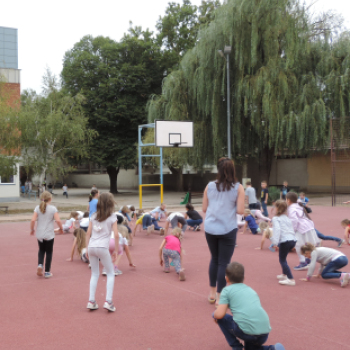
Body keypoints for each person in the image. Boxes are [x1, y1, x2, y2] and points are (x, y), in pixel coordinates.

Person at [213, 262, 285, 350]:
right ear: (244, 278)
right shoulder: (251, 290)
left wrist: (217, 312)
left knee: (216, 316)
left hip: (246, 332)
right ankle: (272, 349)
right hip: (264, 333)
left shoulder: (226, 291)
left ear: (226, 279)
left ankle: (236, 347)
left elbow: (219, 314)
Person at [203, 157, 244, 305]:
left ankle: (212, 293)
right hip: (227, 228)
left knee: (214, 259)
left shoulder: (209, 186)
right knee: (224, 262)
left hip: (210, 228)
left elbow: (204, 208)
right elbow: (240, 210)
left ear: (218, 169)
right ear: (233, 169)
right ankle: (220, 297)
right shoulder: (238, 187)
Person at [85, 192, 119, 312]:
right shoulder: (112, 217)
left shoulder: (93, 216)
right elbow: (116, 234)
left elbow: (88, 233)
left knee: (94, 274)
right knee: (110, 273)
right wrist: (115, 250)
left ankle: (91, 300)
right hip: (103, 247)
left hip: (92, 246)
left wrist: (86, 248)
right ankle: (108, 301)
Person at [30, 191, 63, 279]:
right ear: (50, 199)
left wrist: (32, 229)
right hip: (49, 234)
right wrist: (61, 228)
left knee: (41, 250)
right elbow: (58, 220)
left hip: (40, 233)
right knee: (49, 252)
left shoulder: (37, 208)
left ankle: (40, 265)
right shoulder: (53, 208)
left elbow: (33, 220)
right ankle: (47, 272)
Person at [286, 192, 320, 270]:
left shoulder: (292, 208)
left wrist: (292, 230)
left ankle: (303, 262)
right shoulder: (298, 205)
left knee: (298, 245)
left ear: (288, 200)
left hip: (301, 228)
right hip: (308, 226)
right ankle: (308, 260)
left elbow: (294, 220)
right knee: (307, 244)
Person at [270, 200, 297, 286]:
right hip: (292, 239)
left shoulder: (275, 218)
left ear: (277, 208)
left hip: (285, 240)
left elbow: (277, 230)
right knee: (283, 258)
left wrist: (275, 242)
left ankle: (291, 279)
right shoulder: (287, 218)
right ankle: (284, 274)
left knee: (282, 260)